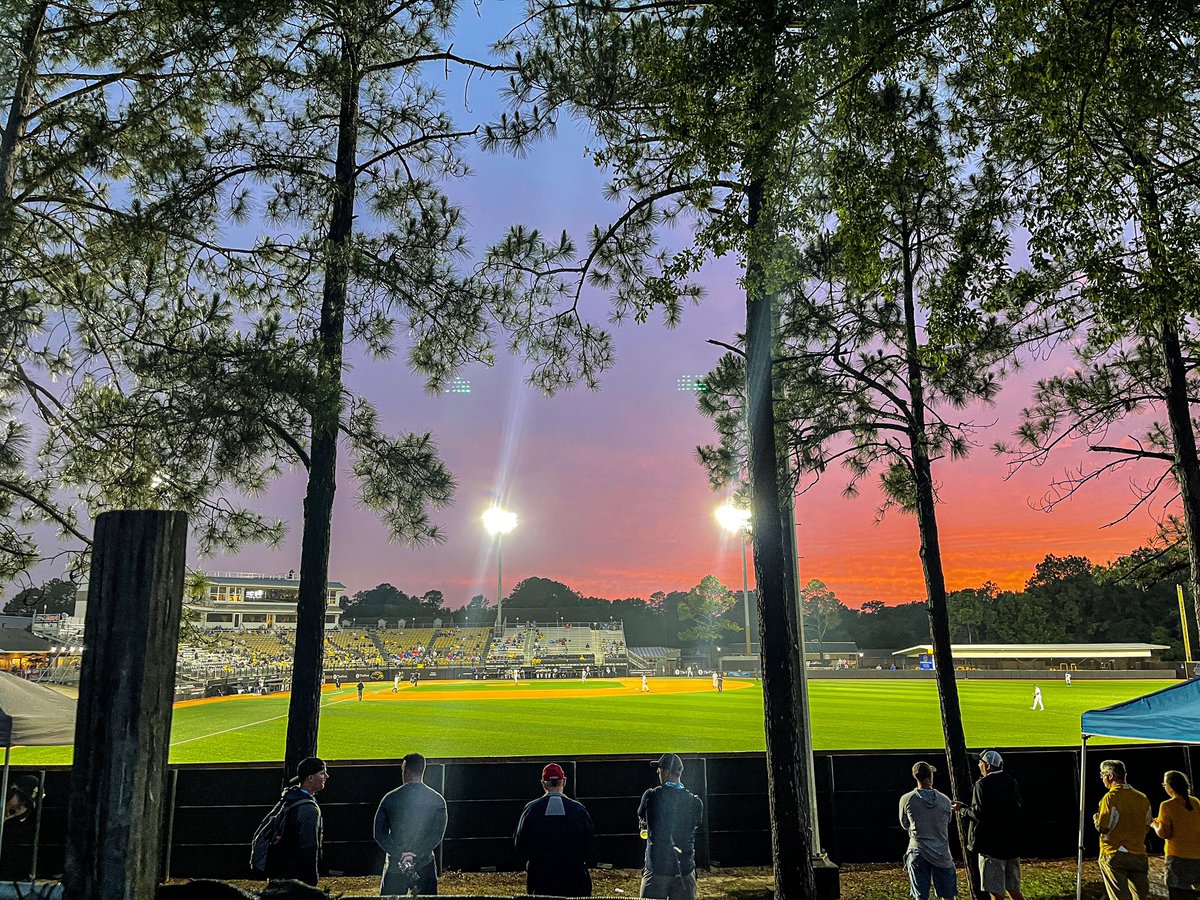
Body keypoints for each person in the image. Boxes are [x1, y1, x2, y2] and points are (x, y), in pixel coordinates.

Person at [952, 750, 1024, 900]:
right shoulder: (1011, 782)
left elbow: (979, 814)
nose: (979, 765)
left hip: (991, 847)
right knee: (1014, 890)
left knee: (995, 893)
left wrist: (962, 809)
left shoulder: (982, 784)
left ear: (988, 766)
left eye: (981, 763)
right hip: (1012, 844)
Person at [514, 763, 595, 896]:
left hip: (540, 878)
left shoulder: (531, 809)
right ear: (564, 782)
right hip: (574, 878)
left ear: (544, 784)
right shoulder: (578, 809)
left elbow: (520, 844)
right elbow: (589, 843)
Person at [374, 752, 448, 896]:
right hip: (424, 863)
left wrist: (399, 853)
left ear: (406, 772)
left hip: (396, 864)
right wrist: (417, 853)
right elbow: (436, 835)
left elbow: (379, 833)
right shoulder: (437, 800)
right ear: (422, 771)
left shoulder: (390, 798)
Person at [638, 753, 704, 900]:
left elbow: (641, 815)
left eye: (660, 770)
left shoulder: (651, 796)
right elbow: (696, 824)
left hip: (657, 868)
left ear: (666, 772)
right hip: (685, 868)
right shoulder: (695, 802)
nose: (658, 773)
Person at [1094, 759, 1152, 900]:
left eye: (1102, 774)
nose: (1102, 778)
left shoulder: (1110, 797)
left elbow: (1103, 827)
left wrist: (1096, 820)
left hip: (1114, 853)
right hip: (1138, 854)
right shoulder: (1142, 798)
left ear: (1110, 775)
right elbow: (1147, 826)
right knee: (1141, 896)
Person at [899, 761, 957, 900]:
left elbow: (904, 824)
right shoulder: (944, 800)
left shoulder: (907, 799)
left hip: (918, 850)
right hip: (941, 853)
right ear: (930, 777)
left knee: (920, 896)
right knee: (948, 895)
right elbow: (948, 820)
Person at [266, 757, 327, 886]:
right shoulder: (308, 808)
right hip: (296, 878)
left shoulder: (288, 799)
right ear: (310, 778)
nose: (326, 776)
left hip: (280, 871)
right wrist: (311, 880)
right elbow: (309, 847)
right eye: (322, 773)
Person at [1152, 770, 1200, 899]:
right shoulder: (1195, 802)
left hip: (1177, 857)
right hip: (1197, 856)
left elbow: (1165, 833)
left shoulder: (1167, 805)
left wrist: (1155, 825)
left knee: (1178, 893)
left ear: (1170, 787)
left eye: (1164, 785)